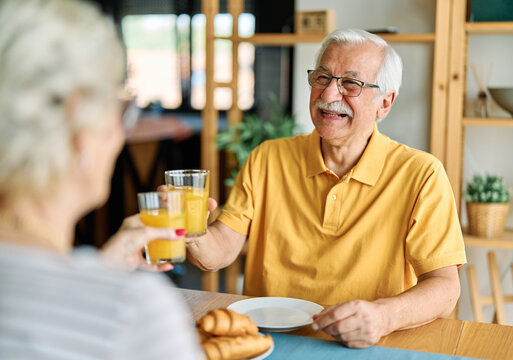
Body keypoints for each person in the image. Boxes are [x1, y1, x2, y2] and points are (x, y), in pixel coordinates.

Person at [189, 28, 467, 348]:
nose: (328, 95)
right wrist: (190, 230)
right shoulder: (267, 158)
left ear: (384, 103)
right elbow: (220, 248)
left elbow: (445, 287)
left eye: (351, 83)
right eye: (322, 77)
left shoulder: (421, 174)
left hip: (366, 344)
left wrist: (382, 316)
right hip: (269, 341)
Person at [0, 0, 202, 358]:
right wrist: (102, 286)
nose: (119, 133)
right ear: (79, 128)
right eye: (120, 110)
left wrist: (103, 268)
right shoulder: (133, 312)